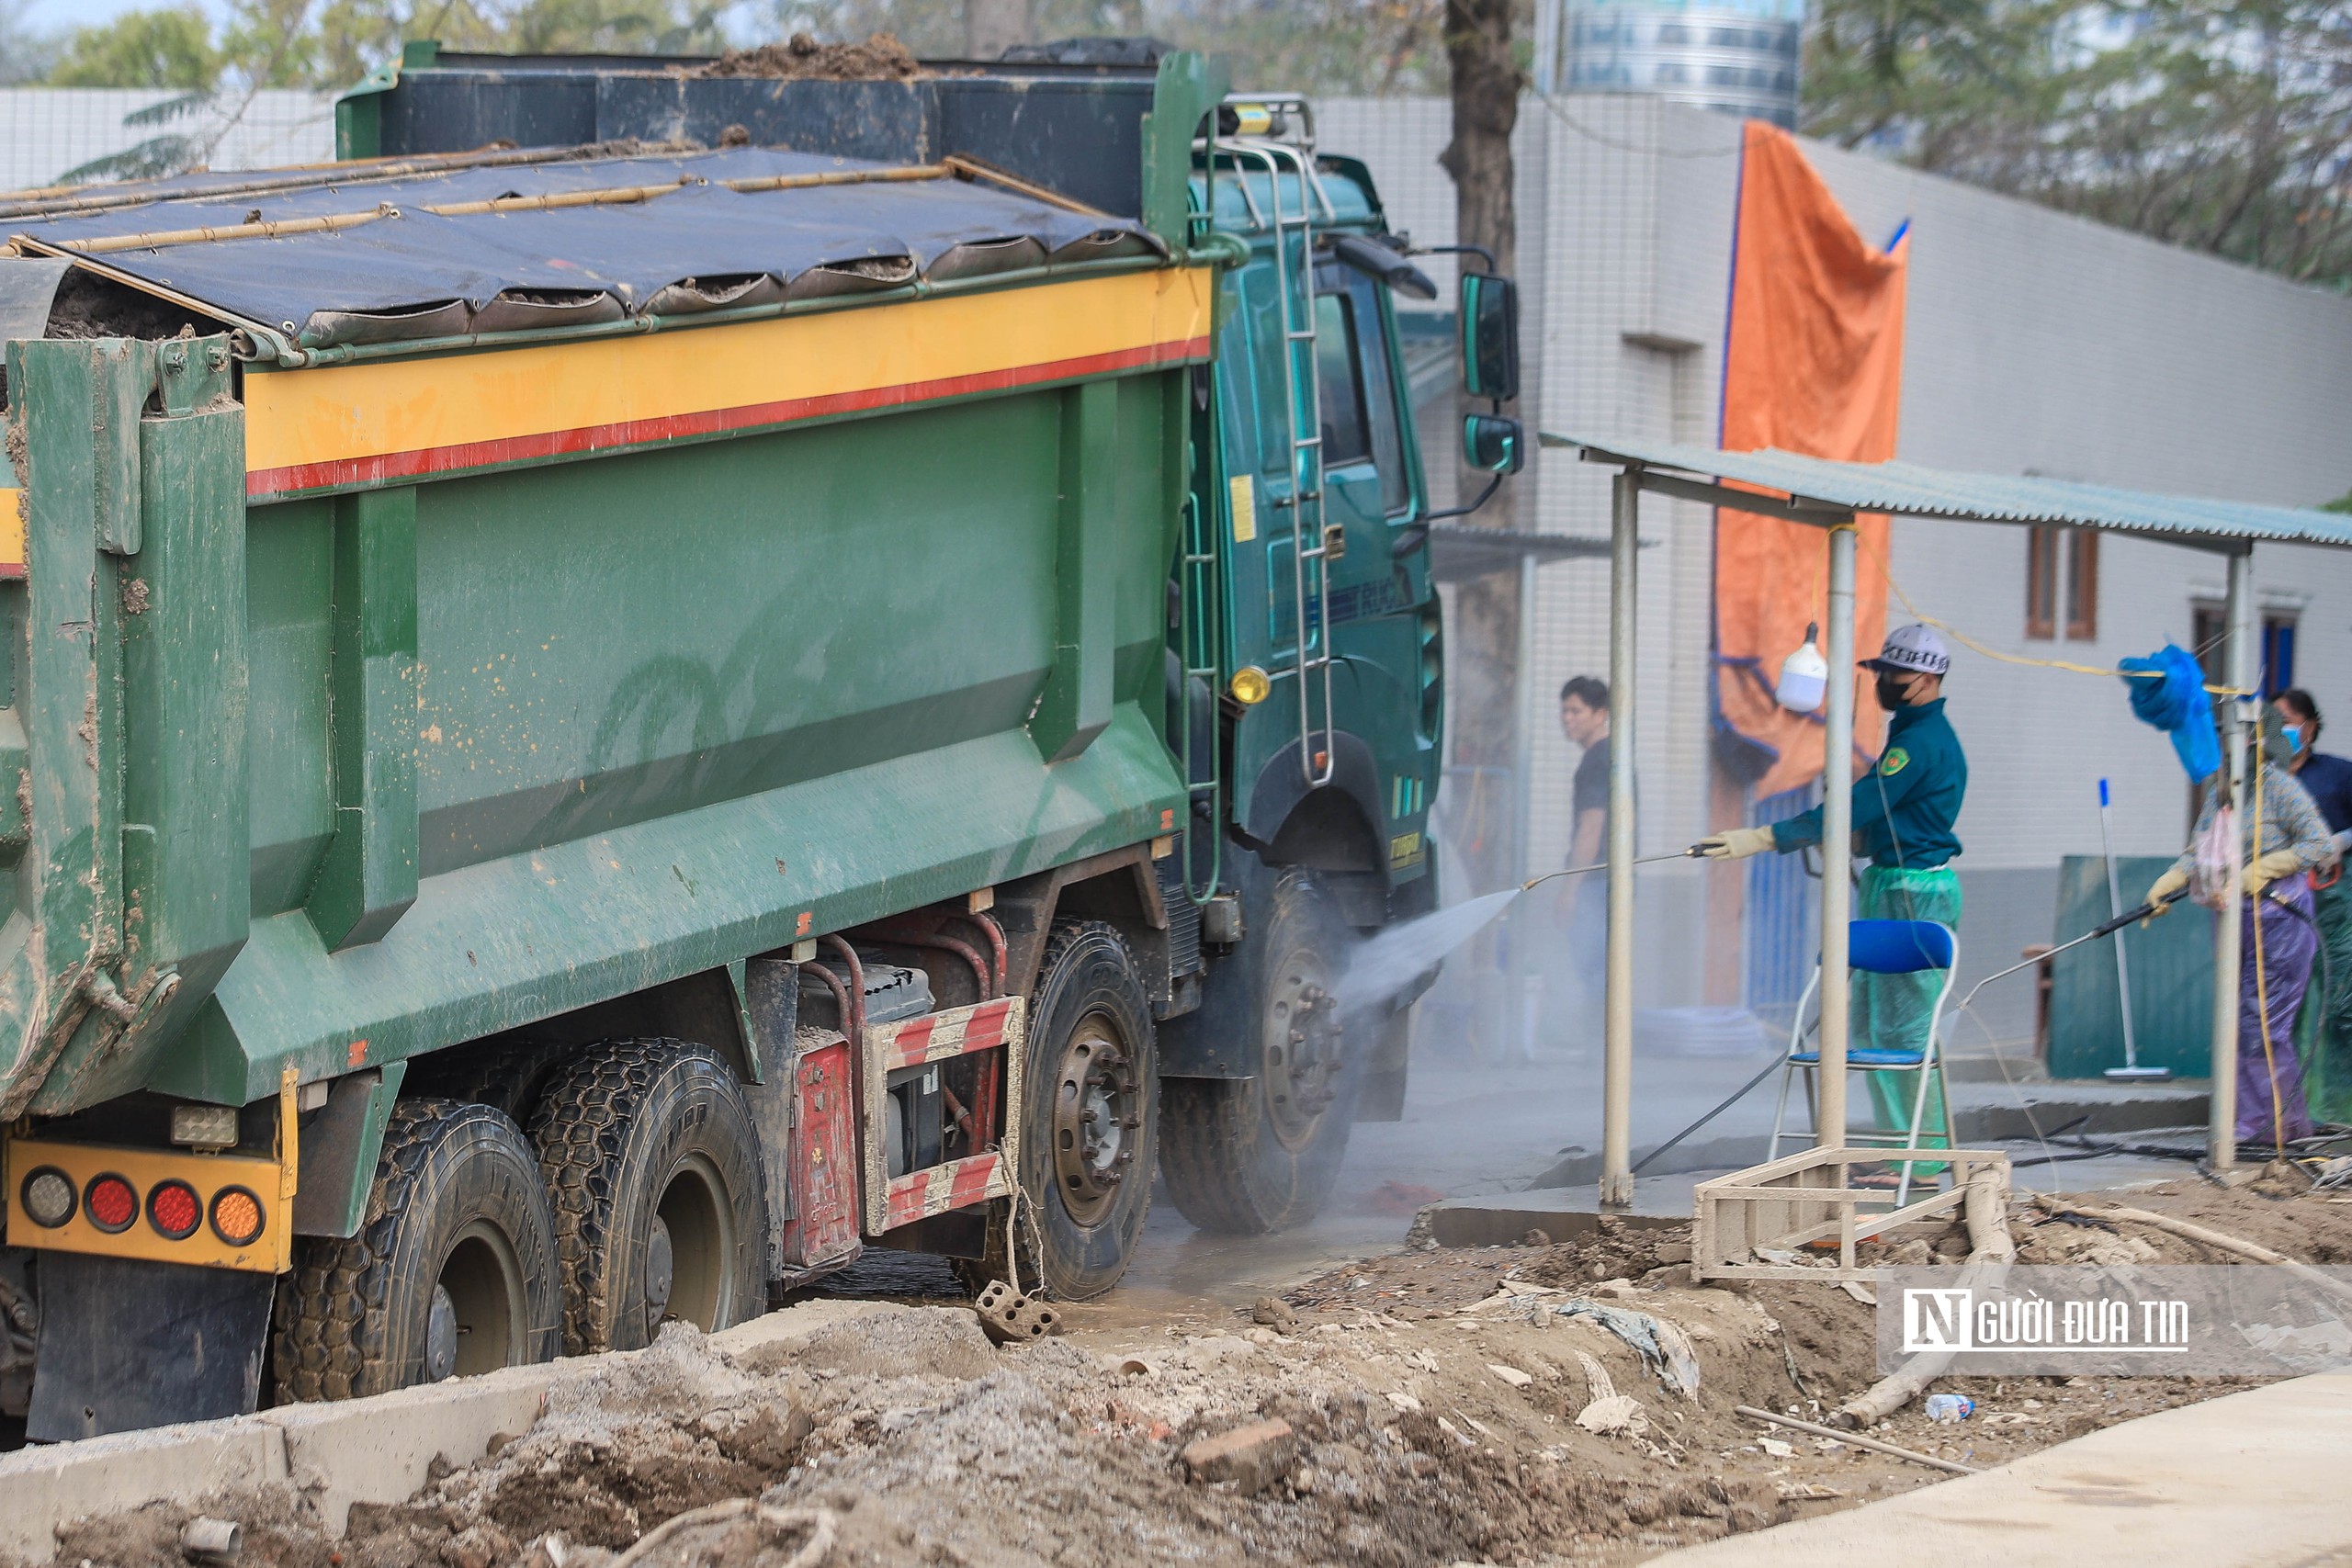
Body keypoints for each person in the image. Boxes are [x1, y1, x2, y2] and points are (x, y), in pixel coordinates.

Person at [1695, 624, 1966, 1162]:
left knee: (1905, 1033)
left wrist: (1767, 835)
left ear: (1927, 678)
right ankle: (1902, 1151)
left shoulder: (1918, 743)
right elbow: (1888, 812)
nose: (1884, 682)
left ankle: (1918, 1157)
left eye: (1894, 674)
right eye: (1881, 673)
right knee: (1874, 1025)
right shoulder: (1914, 736)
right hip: (1898, 880)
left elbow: (1860, 803)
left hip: (1912, 889)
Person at [2148, 710, 2338, 1146]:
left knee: (2264, 1027)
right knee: (2235, 1021)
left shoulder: (2281, 788)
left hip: (2280, 916)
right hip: (2235, 915)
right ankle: (2251, 1121)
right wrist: (2168, 882)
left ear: (2257, 746)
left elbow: (2319, 844)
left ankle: (2272, 1127)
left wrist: (2269, 866)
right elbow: (2199, 849)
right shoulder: (2222, 795)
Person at [2276, 690, 2352, 1127]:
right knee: (2286, 1009)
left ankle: (2340, 1109)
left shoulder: (2338, 775)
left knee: (2340, 1004)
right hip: (2279, 907)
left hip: (2334, 906)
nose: (2282, 729)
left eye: (2289, 720)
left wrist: (2343, 840)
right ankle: (2291, 1112)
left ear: (2310, 726)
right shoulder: (2265, 781)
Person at [1558, 676, 1612, 1011]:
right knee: (1600, 969)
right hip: (1607, 883)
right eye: (1564, 711)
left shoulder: (1597, 760)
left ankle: (1599, 1055)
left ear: (1601, 714)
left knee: (1594, 970)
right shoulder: (1609, 756)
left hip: (1595, 884)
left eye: (1576, 711)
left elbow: (1591, 828)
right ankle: (1600, 1052)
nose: (1567, 719)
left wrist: (1570, 890)